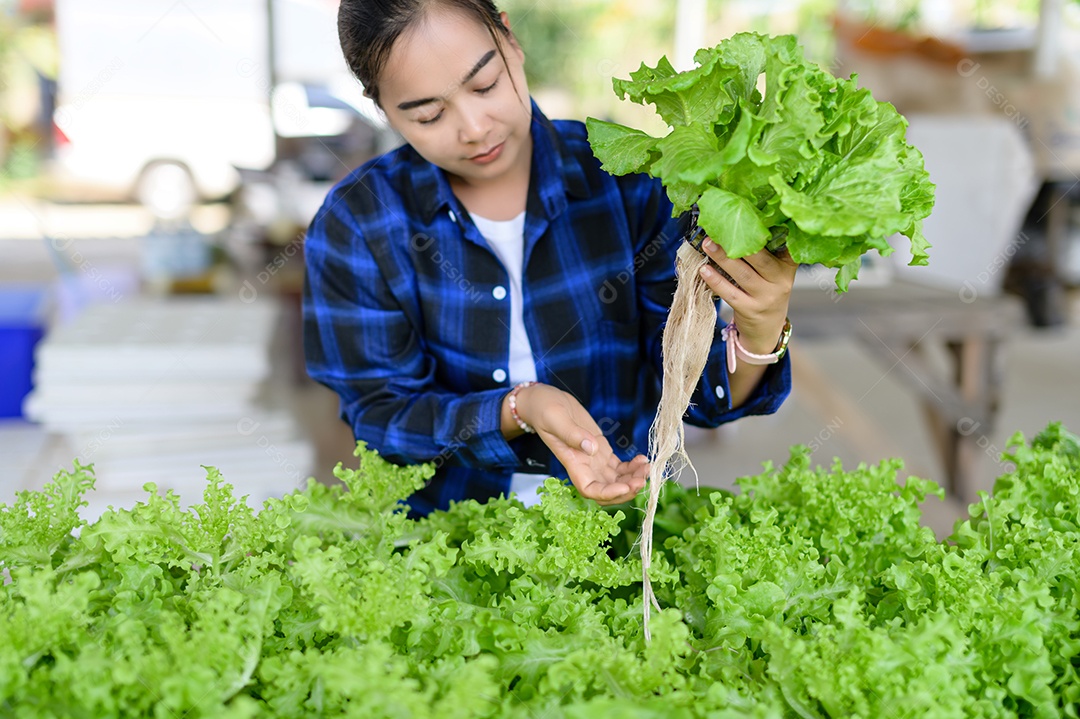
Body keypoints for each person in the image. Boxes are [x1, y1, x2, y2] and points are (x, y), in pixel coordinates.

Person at [303, 0, 797, 517]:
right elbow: (382, 416)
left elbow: (696, 396)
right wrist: (518, 409)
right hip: (444, 543)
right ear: (381, 105)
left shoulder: (626, 183)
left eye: (485, 85)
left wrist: (761, 328)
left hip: (617, 535)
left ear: (509, 40)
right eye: (428, 115)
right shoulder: (358, 222)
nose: (473, 127)